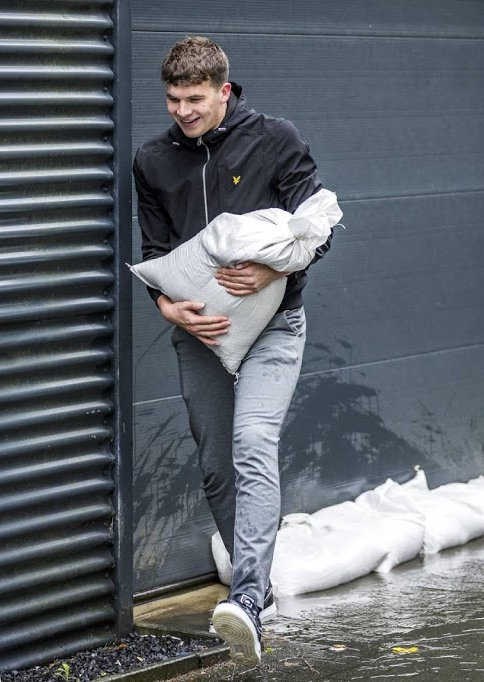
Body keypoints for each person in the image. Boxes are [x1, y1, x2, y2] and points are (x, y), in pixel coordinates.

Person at [133, 36, 332, 665]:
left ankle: (246, 598)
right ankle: (258, 585)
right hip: (202, 336)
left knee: (252, 445)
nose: (182, 112)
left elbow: (319, 228)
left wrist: (272, 276)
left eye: (194, 99)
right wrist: (167, 308)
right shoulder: (152, 160)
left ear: (225, 90)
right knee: (217, 465)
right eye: (172, 100)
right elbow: (158, 255)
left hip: (275, 328)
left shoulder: (276, 138)